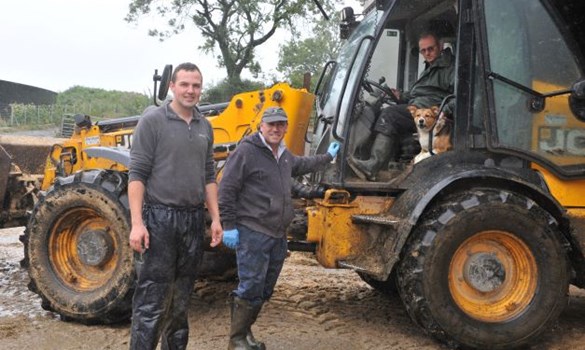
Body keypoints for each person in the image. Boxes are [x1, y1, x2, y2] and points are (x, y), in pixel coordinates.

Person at [218, 107, 340, 350]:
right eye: (271, 124)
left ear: (285, 127)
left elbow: (302, 164)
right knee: (251, 285)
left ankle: (246, 334)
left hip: (277, 234)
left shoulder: (283, 155)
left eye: (280, 124)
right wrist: (228, 226)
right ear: (261, 126)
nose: (275, 129)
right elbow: (226, 190)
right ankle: (237, 340)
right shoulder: (247, 152)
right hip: (253, 231)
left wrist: (327, 156)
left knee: (264, 287)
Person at [127, 62, 223, 350]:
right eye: (184, 84)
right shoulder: (153, 121)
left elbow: (208, 176)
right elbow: (137, 174)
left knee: (181, 302)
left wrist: (215, 219)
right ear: (172, 86)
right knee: (151, 302)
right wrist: (137, 223)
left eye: (196, 86)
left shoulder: (205, 126)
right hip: (159, 220)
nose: (190, 91)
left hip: (193, 221)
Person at [348, 31, 455, 181]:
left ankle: (372, 167)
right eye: (423, 51)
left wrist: (445, 110)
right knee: (378, 113)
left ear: (440, 46)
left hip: (430, 113)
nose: (427, 53)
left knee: (390, 115)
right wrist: (400, 96)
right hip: (417, 107)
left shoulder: (450, 68)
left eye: (431, 49)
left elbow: (461, 95)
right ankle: (377, 164)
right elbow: (418, 94)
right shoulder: (431, 67)